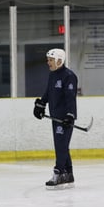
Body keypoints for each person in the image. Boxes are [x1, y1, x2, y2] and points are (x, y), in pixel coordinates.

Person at [33, 48, 78, 189]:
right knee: (62, 145)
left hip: (64, 119)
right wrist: (41, 104)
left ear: (59, 60)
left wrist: (70, 115)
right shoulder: (52, 75)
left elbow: (71, 98)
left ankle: (58, 172)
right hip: (55, 117)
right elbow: (48, 92)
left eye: (50, 60)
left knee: (60, 145)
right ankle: (68, 173)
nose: (48, 62)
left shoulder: (69, 76)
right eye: (48, 60)